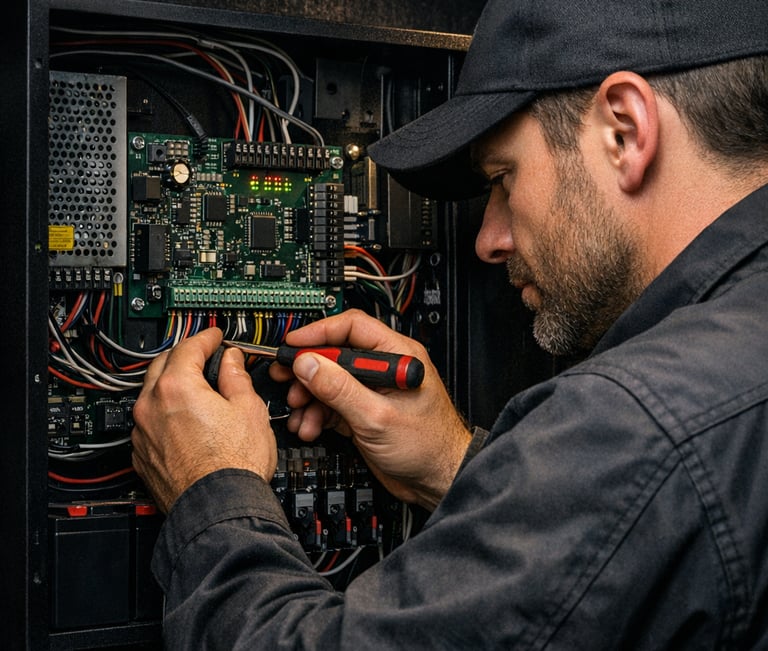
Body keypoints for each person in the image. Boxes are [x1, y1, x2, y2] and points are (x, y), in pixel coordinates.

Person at [130, 0, 768, 647]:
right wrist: (455, 465)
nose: (488, 240)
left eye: (501, 177)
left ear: (624, 130)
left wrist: (213, 488)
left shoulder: (636, 423)